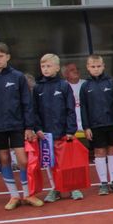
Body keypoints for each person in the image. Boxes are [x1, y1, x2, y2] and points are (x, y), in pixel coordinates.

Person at [0, 42, 41, 210]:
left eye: (0, 56)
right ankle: (14, 196)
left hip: (17, 125)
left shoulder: (17, 77)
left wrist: (29, 127)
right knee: (4, 159)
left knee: (23, 160)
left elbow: (27, 103)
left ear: (7, 57)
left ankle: (28, 194)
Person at [33, 54, 81, 203]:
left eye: (49, 66)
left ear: (57, 68)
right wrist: (38, 129)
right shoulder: (37, 88)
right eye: (43, 66)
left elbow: (70, 109)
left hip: (63, 132)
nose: (45, 69)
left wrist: (70, 130)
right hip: (46, 134)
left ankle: (73, 187)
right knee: (51, 163)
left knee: (67, 162)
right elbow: (34, 111)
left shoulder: (64, 86)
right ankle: (56, 189)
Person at [80, 54, 113, 195]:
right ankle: (103, 183)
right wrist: (86, 127)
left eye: (99, 66)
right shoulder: (85, 86)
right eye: (93, 67)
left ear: (104, 66)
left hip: (111, 123)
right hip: (95, 125)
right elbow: (83, 108)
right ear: (88, 67)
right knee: (99, 152)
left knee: (112, 150)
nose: (96, 69)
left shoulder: (111, 83)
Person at [62, 62, 84, 134]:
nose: (76, 71)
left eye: (77, 69)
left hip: (87, 127)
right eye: (72, 70)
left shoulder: (86, 84)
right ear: (65, 74)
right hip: (70, 129)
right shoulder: (62, 87)